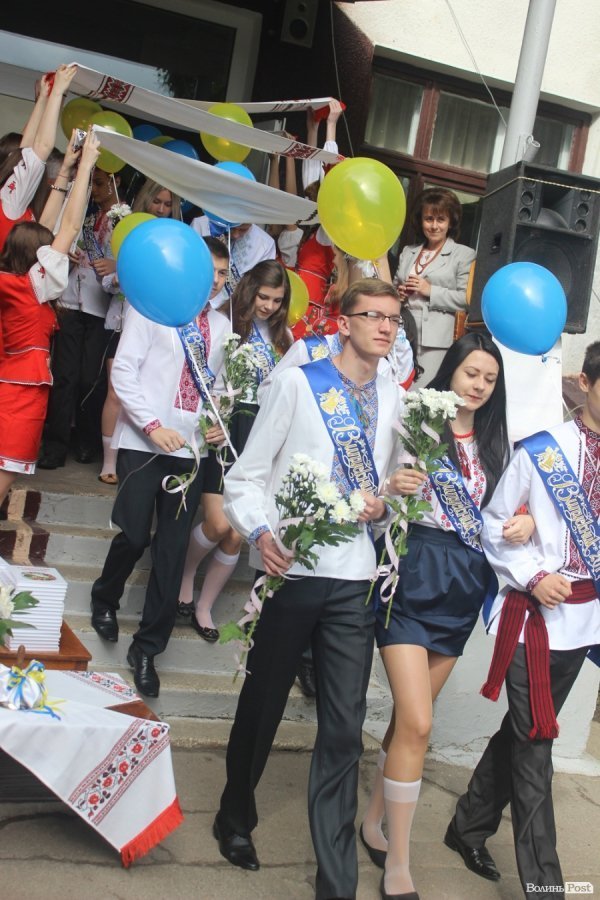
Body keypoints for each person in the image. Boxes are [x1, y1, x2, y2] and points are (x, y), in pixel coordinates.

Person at [214, 279, 404, 900]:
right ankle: (234, 814)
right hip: (292, 571)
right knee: (263, 704)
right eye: (373, 315)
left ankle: (336, 878)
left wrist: (389, 505)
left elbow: (396, 499)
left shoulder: (398, 402)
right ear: (343, 323)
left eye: (394, 319)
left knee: (344, 729)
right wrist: (260, 530)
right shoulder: (300, 383)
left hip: (353, 583)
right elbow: (247, 476)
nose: (385, 326)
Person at [360, 332, 534, 900]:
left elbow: (508, 510)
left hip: (463, 584)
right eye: (470, 374)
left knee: (411, 720)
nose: (479, 386)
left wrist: (525, 522)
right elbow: (372, 482)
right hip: (412, 572)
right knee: (420, 723)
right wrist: (391, 487)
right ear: (450, 371)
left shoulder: (497, 443)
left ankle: (372, 814)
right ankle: (400, 864)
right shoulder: (413, 418)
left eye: (489, 379)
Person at [445, 341, 600, 897]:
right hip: (535, 617)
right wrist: (535, 574)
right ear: (584, 383)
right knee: (537, 745)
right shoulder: (542, 450)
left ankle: (466, 826)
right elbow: (493, 526)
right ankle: (545, 886)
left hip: (587, 623)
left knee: (523, 732)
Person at [89, 286, 230, 698]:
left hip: (191, 450)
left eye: (223, 274)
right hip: (142, 441)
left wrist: (215, 423)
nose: (216, 281)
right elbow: (124, 372)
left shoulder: (222, 325)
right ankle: (105, 598)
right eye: (209, 272)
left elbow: (217, 386)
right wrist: (152, 424)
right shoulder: (151, 308)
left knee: (170, 551)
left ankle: (148, 648)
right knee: (134, 535)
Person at [177, 260, 292, 641]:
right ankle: (186, 574)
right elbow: (205, 377)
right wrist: (211, 420)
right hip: (227, 430)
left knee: (237, 533)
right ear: (249, 291)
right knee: (219, 523)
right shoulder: (226, 325)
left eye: (277, 300)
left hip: (262, 436)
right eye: (263, 296)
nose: (269, 306)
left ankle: (205, 605)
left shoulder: (285, 339)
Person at [0, 132, 101, 506]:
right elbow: (69, 229)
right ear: (37, 259)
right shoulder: (33, 288)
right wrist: (87, 167)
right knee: (6, 472)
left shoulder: (13, 279)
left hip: (6, 382)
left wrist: (66, 174)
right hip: (21, 391)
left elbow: (37, 233)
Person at [97, 180, 183, 485]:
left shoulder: (176, 241)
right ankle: (109, 460)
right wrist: (124, 274)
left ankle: (135, 452)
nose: (161, 208)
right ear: (146, 201)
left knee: (144, 392)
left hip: (159, 327)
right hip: (123, 322)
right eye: (156, 202)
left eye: (167, 203)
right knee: (116, 393)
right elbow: (106, 282)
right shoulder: (129, 234)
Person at [39, 163, 122, 469]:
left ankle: (86, 440)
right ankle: (55, 444)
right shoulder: (83, 216)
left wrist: (116, 266)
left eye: (100, 183)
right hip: (72, 304)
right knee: (64, 376)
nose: (95, 189)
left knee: (91, 378)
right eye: (91, 183)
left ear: (115, 181)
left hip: (102, 310)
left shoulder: (125, 221)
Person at [394, 187, 475, 386]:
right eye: (429, 219)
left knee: (421, 395)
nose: (434, 226)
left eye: (441, 220)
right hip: (400, 332)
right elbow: (394, 286)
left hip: (434, 341)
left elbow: (466, 300)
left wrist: (430, 291)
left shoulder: (463, 254)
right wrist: (398, 293)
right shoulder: (408, 251)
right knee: (395, 388)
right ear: (420, 221)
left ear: (451, 222)